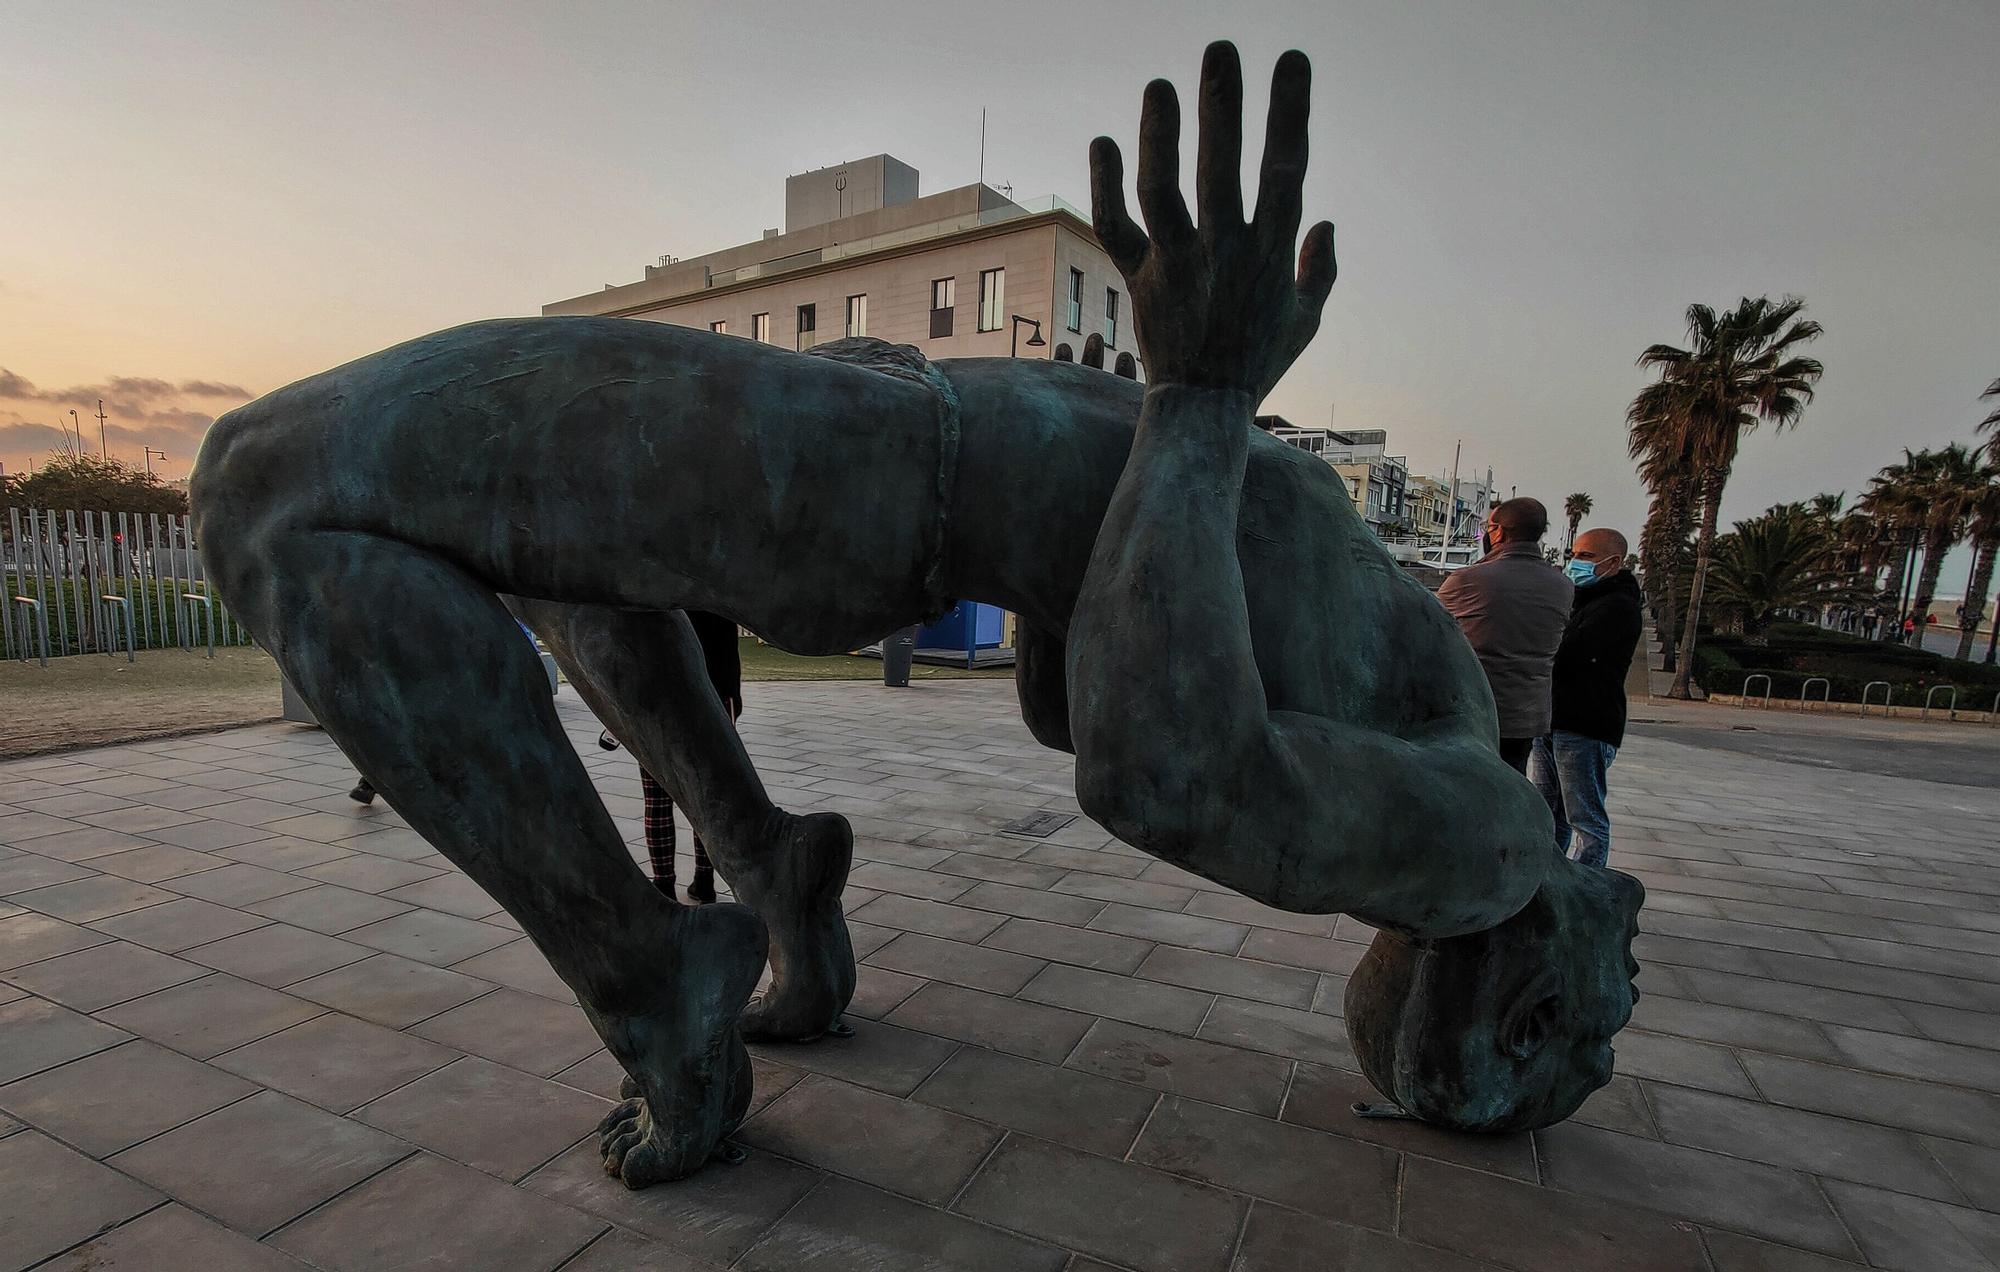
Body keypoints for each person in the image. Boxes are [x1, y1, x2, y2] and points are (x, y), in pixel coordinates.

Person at [191, 44, 1641, 1184]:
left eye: (1611, 984)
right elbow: (1159, 706)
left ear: (1528, 1000)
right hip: (900, 428)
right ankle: (770, 877)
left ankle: (654, 984)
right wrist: (1188, 406)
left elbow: (1166, 779)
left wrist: (1201, 393)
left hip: (887, 476)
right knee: (506, 542)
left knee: (263, 485)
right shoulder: (1443, 738)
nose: (1632, 946)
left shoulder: (1487, 842)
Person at [598, 611, 742, 905]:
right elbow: (728, 659)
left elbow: (632, 655)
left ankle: (664, 885)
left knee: (658, 802)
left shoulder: (658, 597)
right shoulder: (713, 596)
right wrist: (730, 707)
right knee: (705, 803)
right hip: (710, 704)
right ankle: (704, 881)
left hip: (657, 707)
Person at [1531, 528, 1644, 868]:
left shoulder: (1618, 607)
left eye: (1586, 557)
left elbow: (1568, 652)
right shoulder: (1581, 601)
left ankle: (1588, 885)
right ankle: (1546, 875)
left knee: (1584, 816)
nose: (1575, 563)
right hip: (1554, 718)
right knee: (1549, 812)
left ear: (1613, 562)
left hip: (1585, 725)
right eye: (1574, 555)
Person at [1437, 498, 1574, 772]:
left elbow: (1425, 624)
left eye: (1488, 528)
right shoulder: (1563, 585)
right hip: (1527, 716)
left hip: (1473, 711)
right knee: (1512, 782)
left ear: (1498, 532)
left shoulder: (1469, 580)